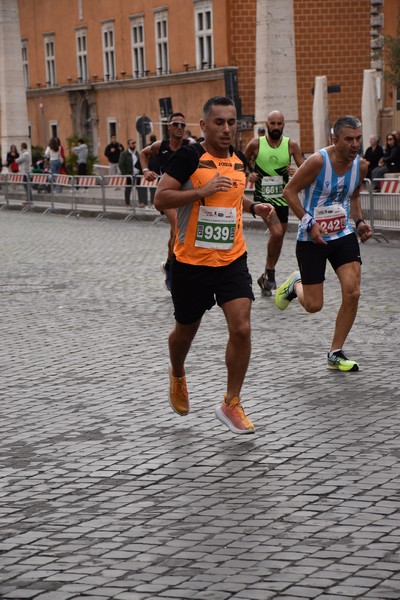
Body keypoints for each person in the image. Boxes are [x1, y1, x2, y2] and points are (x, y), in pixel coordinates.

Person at [154, 96, 278, 434]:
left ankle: (231, 402)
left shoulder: (238, 159)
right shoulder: (189, 157)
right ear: (204, 125)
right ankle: (177, 373)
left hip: (231, 259)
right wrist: (200, 191)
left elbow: (232, 197)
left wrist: (255, 209)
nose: (226, 129)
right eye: (219, 122)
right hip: (191, 263)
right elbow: (160, 198)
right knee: (184, 332)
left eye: (231, 122)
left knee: (241, 327)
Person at [275, 115, 373, 372]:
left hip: (342, 234)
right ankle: (295, 284)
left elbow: (353, 198)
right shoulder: (318, 161)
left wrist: (360, 222)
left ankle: (335, 352)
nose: (355, 144)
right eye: (348, 139)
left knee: (353, 292)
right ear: (334, 139)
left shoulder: (360, 166)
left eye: (358, 138)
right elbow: (289, 192)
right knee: (313, 305)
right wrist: (309, 222)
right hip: (311, 238)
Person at [244, 110, 304, 296]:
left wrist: (297, 171)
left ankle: (266, 275)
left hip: (282, 199)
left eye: (279, 124)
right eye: (273, 123)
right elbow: (239, 163)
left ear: (283, 125)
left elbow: (306, 167)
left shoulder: (290, 145)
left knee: (278, 237)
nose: (276, 127)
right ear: (267, 124)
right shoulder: (256, 144)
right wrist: (248, 174)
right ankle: (270, 273)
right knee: (277, 232)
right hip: (264, 199)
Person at [140, 112, 193, 291]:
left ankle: (169, 265)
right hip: (168, 195)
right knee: (178, 228)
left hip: (185, 194)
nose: (179, 128)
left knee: (173, 234)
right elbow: (142, 153)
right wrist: (146, 170)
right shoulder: (160, 146)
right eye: (176, 124)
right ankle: (175, 272)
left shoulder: (190, 145)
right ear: (168, 127)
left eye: (182, 125)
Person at [118, 139, 142, 207]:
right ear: (129, 145)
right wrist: (125, 174)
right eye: (132, 143)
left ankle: (141, 202)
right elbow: (121, 164)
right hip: (129, 174)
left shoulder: (137, 153)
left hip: (137, 174)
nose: (134, 145)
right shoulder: (124, 154)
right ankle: (127, 203)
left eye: (135, 143)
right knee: (128, 189)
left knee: (139, 189)